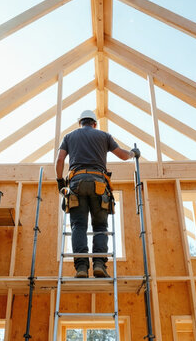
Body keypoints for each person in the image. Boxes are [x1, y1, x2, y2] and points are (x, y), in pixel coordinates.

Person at [55, 110, 140, 278]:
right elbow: (123, 155)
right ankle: (99, 264)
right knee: (100, 226)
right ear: (94, 123)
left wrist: (59, 181)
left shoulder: (69, 137)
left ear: (80, 123)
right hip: (99, 185)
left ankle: (81, 268)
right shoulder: (104, 136)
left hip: (76, 184)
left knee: (78, 226)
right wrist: (133, 153)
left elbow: (59, 160)